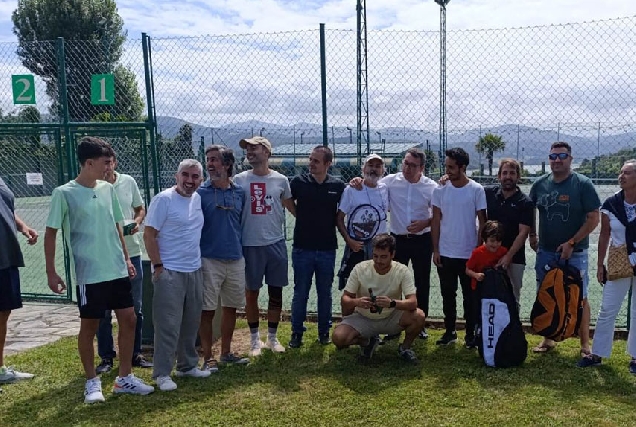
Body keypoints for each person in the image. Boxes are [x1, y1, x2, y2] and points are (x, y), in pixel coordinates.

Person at [44, 136, 154, 403]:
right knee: (90, 326)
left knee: (129, 318)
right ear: (89, 162)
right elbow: (50, 234)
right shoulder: (64, 193)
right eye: (106, 163)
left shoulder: (107, 188)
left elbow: (117, 225)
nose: (109, 167)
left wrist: (127, 259)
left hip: (117, 268)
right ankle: (92, 382)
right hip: (90, 274)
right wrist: (51, 271)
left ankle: (124, 378)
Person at [349, 148, 437, 340]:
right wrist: (357, 180)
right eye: (405, 163)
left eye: (413, 165)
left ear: (422, 168)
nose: (407, 168)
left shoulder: (431, 186)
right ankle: (394, 327)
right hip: (397, 240)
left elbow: (439, 213)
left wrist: (426, 222)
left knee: (422, 282)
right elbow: (370, 182)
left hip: (422, 240)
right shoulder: (390, 182)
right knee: (394, 282)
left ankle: (419, 324)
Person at [144, 159, 211, 391]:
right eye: (185, 175)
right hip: (169, 271)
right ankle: (162, 373)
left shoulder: (198, 199)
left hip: (194, 269)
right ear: (176, 176)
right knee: (167, 325)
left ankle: (187, 366)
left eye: (195, 177)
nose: (189, 181)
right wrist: (158, 266)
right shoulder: (163, 199)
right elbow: (149, 234)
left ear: (201, 181)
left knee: (191, 322)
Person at [529, 141, 600, 359]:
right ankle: (548, 338)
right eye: (553, 156)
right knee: (546, 292)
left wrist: (572, 242)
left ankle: (585, 344)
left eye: (562, 156)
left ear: (570, 159)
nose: (557, 160)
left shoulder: (582, 184)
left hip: (575, 253)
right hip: (546, 252)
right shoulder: (540, 184)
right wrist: (532, 234)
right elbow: (529, 210)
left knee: (581, 297)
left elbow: (593, 218)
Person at [233, 137, 296, 357]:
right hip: (249, 245)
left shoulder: (281, 180)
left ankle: (272, 337)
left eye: (254, 148)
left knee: (275, 292)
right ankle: (254, 340)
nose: (249, 151)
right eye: (247, 149)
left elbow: (292, 208)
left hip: (275, 243)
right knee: (251, 293)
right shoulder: (239, 180)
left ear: (267, 152)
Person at [96, 154, 152, 374]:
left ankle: (134, 354)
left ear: (115, 163)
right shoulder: (93, 187)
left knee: (134, 308)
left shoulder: (128, 181)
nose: (107, 166)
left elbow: (140, 209)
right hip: (104, 254)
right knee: (103, 310)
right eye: (104, 162)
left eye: (110, 162)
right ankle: (107, 357)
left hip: (133, 253)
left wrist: (137, 222)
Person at [578, 160, 636, 371]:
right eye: (621, 172)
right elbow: (604, 235)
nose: (621, 176)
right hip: (618, 262)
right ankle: (598, 353)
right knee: (608, 308)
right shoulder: (611, 204)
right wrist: (600, 265)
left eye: (627, 173)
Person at [331, 233, 426, 363]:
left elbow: (413, 302)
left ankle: (405, 348)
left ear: (392, 255)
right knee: (338, 338)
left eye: (383, 257)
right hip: (363, 318)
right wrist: (357, 302)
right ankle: (367, 341)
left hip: (392, 317)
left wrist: (392, 303)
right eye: (375, 256)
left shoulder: (402, 270)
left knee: (419, 316)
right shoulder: (360, 268)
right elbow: (345, 299)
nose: (379, 261)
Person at [198, 146, 249, 370]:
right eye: (208, 160)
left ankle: (226, 352)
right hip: (209, 259)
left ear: (227, 165)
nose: (210, 164)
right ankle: (208, 356)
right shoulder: (200, 194)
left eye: (215, 160)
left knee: (231, 307)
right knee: (207, 310)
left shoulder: (239, 192)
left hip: (236, 258)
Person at [289, 146, 345, 348]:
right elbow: (286, 199)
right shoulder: (298, 182)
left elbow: (344, 209)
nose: (311, 164)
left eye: (316, 161)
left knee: (325, 292)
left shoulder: (338, 186)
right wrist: (299, 215)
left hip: (327, 249)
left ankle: (324, 332)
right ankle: (296, 333)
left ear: (328, 164)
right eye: (310, 160)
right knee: (300, 291)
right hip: (302, 248)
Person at [432, 147, 487, 348]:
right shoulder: (439, 190)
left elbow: (483, 222)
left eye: (451, 167)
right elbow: (435, 221)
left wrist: (477, 250)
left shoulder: (476, 190)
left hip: (468, 254)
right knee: (448, 294)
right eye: (446, 166)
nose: (447, 170)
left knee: (470, 296)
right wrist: (436, 250)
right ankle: (449, 332)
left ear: (462, 167)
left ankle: (470, 334)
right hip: (445, 253)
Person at [0, 177, 38, 389]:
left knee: (3, 312)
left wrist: (23, 227)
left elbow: (6, 209)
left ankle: (0, 369)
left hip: (6, 257)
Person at [484, 159, 534, 310]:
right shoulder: (488, 194)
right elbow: (466, 186)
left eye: (512, 173)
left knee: (512, 297)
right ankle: (488, 332)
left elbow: (523, 232)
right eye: (504, 173)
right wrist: (446, 179)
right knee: (488, 295)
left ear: (518, 176)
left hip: (515, 258)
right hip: (489, 255)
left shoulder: (525, 202)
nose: (508, 176)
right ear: (499, 176)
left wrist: (508, 256)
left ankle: (513, 332)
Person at [337, 154, 389, 291]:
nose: (374, 169)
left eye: (378, 166)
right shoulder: (352, 189)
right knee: (353, 287)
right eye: (370, 165)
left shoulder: (385, 188)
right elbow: (339, 218)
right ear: (363, 168)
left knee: (378, 286)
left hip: (379, 247)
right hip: (357, 245)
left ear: (383, 171)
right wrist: (349, 241)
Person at [465, 221, 508, 291]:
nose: (495, 244)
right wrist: (476, 275)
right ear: (484, 239)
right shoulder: (477, 252)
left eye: (498, 241)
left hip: (496, 288)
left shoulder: (503, 251)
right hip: (479, 289)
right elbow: (467, 270)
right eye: (492, 241)